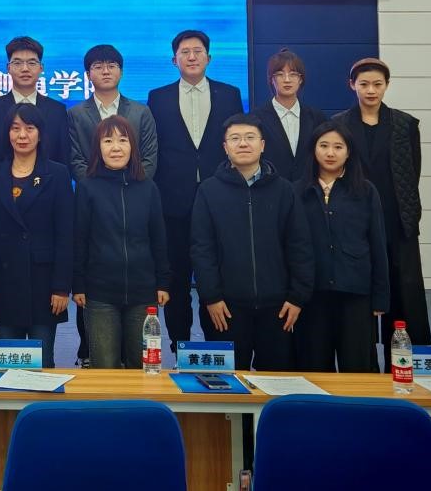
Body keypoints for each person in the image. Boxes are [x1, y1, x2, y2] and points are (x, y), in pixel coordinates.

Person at [190, 114, 314, 371]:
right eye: (235, 138)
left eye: (250, 137)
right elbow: (202, 249)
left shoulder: (284, 190)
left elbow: (300, 246)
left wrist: (297, 297)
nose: (243, 143)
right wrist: (211, 297)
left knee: (276, 384)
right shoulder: (209, 190)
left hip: (278, 307)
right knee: (226, 386)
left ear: (263, 144)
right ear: (225, 147)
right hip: (225, 308)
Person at [147, 29, 244, 349]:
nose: (191, 57)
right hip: (173, 201)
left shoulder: (230, 94)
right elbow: (156, 149)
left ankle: (216, 346)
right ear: (174, 60)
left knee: (215, 275)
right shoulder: (158, 97)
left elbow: (235, 143)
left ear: (209, 58)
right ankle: (180, 346)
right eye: (185, 52)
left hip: (219, 199)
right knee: (176, 279)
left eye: (197, 51)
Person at [336, 57, 431, 370]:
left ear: (386, 86)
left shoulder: (406, 124)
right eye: (364, 84)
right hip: (356, 222)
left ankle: (404, 368)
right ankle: (363, 369)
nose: (371, 90)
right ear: (352, 85)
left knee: (404, 296)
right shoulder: (339, 125)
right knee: (360, 296)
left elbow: (412, 173)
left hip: (397, 221)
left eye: (377, 84)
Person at [0, 103, 73, 368]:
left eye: (29, 128)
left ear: (40, 134)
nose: (22, 135)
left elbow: (66, 234)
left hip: (44, 284)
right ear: (7, 134)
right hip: (4, 281)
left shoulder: (57, 174)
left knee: (42, 364)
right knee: (7, 363)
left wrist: (61, 286)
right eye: (15, 128)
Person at [72, 115, 170, 369]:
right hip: (100, 293)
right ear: (98, 148)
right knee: (105, 367)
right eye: (108, 141)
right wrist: (78, 284)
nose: (116, 147)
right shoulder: (87, 187)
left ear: (132, 146)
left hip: (143, 292)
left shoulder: (148, 187)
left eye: (123, 140)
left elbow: (158, 238)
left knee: (143, 367)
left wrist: (163, 282)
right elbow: (79, 238)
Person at [294, 120, 390, 373]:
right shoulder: (297, 192)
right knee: (314, 366)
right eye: (323, 145)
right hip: (312, 293)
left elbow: (378, 245)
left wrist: (380, 297)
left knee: (358, 367)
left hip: (356, 293)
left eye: (338, 147)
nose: (330, 153)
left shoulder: (366, 191)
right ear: (313, 149)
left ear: (349, 152)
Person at [0, 36, 70, 172]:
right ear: (8, 68)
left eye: (32, 63)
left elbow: (63, 159)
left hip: (48, 183)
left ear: (41, 68)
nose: (25, 69)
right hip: (2, 183)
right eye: (17, 63)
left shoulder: (57, 110)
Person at [68, 44, 157, 182]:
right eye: (98, 67)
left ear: (121, 72)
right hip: (91, 192)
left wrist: (130, 186)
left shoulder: (141, 112)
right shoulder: (75, 114)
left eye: (111, 66)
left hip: (134, 189)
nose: (106, 72)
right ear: (88, 75)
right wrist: (96, 189)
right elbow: (75, 160)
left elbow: (149, 157)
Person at [250, 49, 328, 183]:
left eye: (293, 74)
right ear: (271, 79)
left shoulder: (316, 118)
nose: (287, 80)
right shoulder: (256, 118)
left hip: (309, 190)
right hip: (270, 189)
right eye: (280, 74)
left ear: (300, 79)